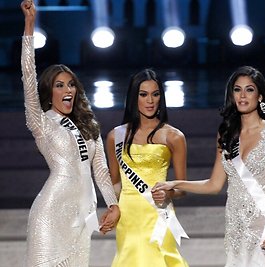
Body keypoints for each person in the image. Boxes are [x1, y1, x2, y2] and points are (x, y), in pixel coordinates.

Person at [153, 66, 265, 266]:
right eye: (237, 90)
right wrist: (175, 183)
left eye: (249, 89)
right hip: (235, 226)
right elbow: (214, 184)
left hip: (264, 225)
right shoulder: (226, 134)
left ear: (260, 96)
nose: (242, 96)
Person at [20, 1, 120, 266]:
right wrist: (29, 26)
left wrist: (113, 204)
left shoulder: (89, 125)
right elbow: (28, 76)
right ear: (49, 92)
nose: (68, 89)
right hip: (50, 212)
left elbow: (100, 171)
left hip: (81, 213)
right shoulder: (41, 122)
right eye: (59, 85)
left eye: (71, 84)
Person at [106, 69, 189, 267]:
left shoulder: (174, 136)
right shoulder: (115, 137)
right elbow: (115, 183)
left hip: (158, 213)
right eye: (143, 94)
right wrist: (113, 207)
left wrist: (169, 193)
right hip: (129, 216)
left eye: (155, 94)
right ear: (134, 97)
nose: (150, 101)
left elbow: (182, 187)